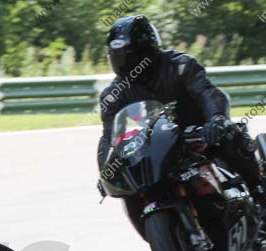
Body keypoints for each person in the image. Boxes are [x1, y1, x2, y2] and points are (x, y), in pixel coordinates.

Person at [97, 15, 265, 205]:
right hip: (160, 145)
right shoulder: (115, 93)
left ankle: (258, 188)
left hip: (201, 130)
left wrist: (216, 120)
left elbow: (207, 93)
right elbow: (109, 137)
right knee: (133, 183)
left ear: (146, 50)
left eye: (130, 55)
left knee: (230, 136)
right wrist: (106, 171)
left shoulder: (180, 66)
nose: (125, 62)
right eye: (118, 56)